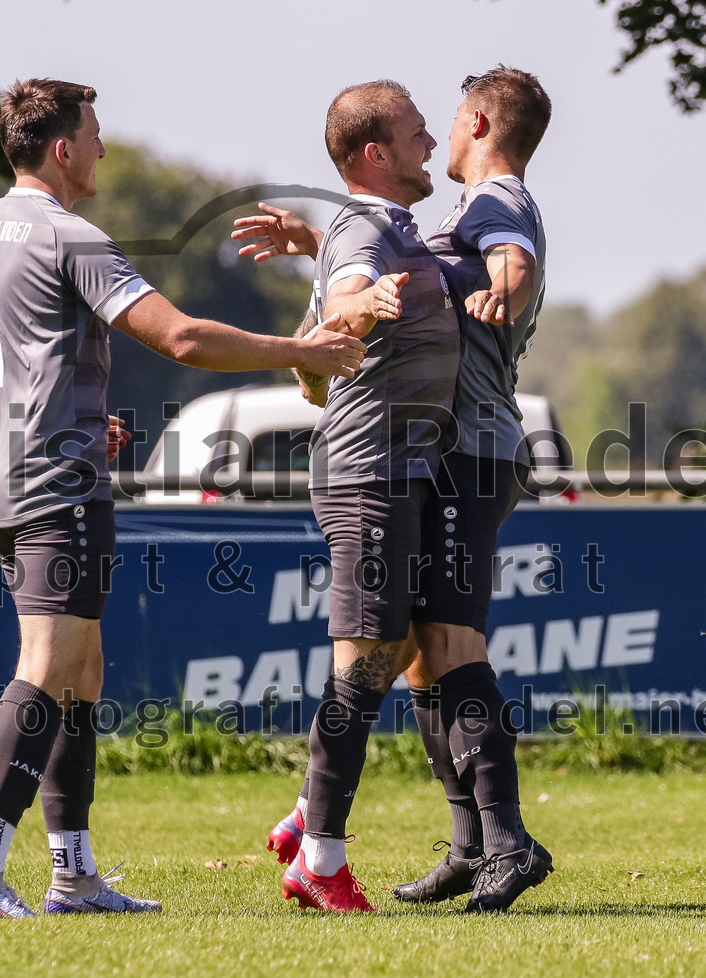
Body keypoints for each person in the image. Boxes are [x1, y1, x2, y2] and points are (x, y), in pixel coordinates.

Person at [0, 77, 373, 919]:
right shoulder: (72, 235)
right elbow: (178, 335)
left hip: (1, 477)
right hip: (53, 482)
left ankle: (74, 875)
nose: (102, 148)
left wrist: (51, 408)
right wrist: (302, 348)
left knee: (82, 671)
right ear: (62, 150)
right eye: (94, 135)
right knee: (49, 666)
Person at [233, 66, 553, 913]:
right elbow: (366, 273)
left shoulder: (496, 205)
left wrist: (501, 292)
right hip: (432, 456)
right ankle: (466, 842)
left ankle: (496, 842)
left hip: (466, 452)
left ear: (479, 124)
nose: (433, 137)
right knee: (412, 657)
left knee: (438, 651)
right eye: (415, 127)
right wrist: (329, 252)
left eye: (443, 122)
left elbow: (509, 264)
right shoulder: (429, 221)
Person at [255, 79, 460, 912]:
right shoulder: (368, 231)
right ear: (376, 154)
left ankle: (310, 815)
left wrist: (325, 257)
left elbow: (315, 346)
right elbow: (343, 300)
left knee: (398, 643)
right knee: (367, 659)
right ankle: (321, 859)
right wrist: (359, 305)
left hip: (389, 469)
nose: (432, 146)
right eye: (418, 134)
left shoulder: (370, 226)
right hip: (369, 473)